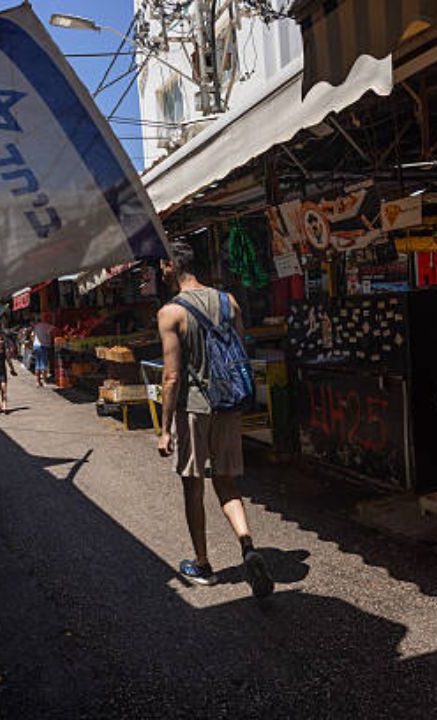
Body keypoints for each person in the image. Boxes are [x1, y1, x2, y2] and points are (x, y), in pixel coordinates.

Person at [156, 241, 272, 598]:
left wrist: (164, 429)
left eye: (162, 264)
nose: (160, 270)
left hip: (194, 407)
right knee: (227, 483)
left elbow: (172, 376)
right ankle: (248, 546)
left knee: (193, 485)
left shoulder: (171, 313)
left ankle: (203, 564)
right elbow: (237, 352)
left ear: (173, 266)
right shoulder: (229, 301)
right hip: (228, 403)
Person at [31, 317, 54, 387]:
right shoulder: (48, 326)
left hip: (36, 346)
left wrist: (33, 343)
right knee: (44, 364)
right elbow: (53, 333)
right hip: (44, 346)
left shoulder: (36, 326)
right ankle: (44, 381)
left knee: (38, 364)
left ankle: (38, 382)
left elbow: (32, 335)